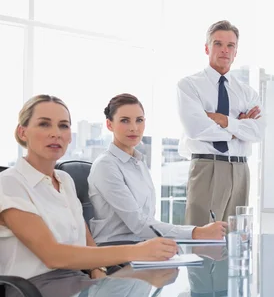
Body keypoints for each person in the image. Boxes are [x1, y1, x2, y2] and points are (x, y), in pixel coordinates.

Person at [0, 95, 178, 286]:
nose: (56, 133)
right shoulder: (9, 183)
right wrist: (139, 251)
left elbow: (86, 238)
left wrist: (98, 270)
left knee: (158, 279)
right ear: (22, 132)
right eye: (44, 124)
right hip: (34, 296)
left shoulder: (64, 180)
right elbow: (53, 255)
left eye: (63, 126)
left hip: (75, 284)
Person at [88, 93, 226, 244]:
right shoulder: (106, 165)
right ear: (109, 125)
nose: (134, 128)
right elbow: (139, 224)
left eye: (139, 120)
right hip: (115, 248)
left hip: (144, 245)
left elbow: (148, 220)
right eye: (125, 121)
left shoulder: (138, 162)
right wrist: (197, 232)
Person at [177, 20, 265, 226]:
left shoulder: (247, 92)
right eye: (218, 44)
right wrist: (239, 127)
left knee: (236, 239)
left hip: (241, 169)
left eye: (230, 46)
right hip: (207, 166)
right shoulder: (189, 85)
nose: (224, 50)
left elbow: (258, 132)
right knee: (202, 238)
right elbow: (196, 128)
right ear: (207, 48)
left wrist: (224, 120)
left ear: (236, 52)